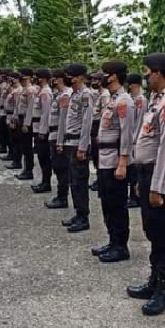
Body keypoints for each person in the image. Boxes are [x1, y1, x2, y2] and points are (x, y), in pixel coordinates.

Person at [126, 53, 165, 316]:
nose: (145, 76)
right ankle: (154, 281)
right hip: (147, 174)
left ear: (159, 73)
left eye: (148, 72)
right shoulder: (156, 101)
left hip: (160, 176)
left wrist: (157, 187)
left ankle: (164, 290)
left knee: (163, 235)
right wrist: (142, 180)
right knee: (152, 231)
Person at [91, 61, 135, 263]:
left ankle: (121, 247)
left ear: (114, 76)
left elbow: (126, 133)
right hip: (105, 160)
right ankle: (112, 241)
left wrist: (123, 162)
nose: (101, 77)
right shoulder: (112, 99)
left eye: (105, 73)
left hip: (116, 161)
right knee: (107, 203)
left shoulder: (124, 101)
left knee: (117, 205)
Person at [58, 63, 94, 232]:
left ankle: (83, 217)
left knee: (79, 182)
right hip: (70, 142)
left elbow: (87, 122)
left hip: (78, 144)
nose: (67, 77)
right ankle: (78, 213)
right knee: (74, 181)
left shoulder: (86, 95)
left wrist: (83, 147)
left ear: (79, 77)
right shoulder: (74, 94)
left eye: (69, 75)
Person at [46, 68, 72, 209]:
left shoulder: (65, 95)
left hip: (58, 136)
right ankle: (60, 195)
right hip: (54, 135)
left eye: (54, 78)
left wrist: (60, 141)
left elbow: (63, 120)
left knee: (61, 168)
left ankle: (62, 197)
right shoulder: (59, 95)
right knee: (57, 166)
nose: (52, 81)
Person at [126, 73, 147, 208]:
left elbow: (139, 121)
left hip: (136, 140)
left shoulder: (140, 100)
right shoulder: (132, 99)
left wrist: (134, 139)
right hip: (131, 138)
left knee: (135, 171)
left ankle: (135, 197)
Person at [31, 68, 53, 193]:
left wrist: (43, 131)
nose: (35, 79)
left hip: (42, 130)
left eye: (37, 77)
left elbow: (46, 113)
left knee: (44, 157)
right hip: (37, 128)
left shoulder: (45, 93)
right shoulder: (40, 91)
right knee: (41, 157)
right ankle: (44, 181)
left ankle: (46, 183)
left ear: (43, 78)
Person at [89, 72, 110, 191]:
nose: (93, 82)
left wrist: (100, 132)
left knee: (98, 155)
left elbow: (104, 114)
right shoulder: (99, 94)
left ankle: (101, 180)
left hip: (99, 125)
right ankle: (99, 179)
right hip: (95, 124)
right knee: (95, 155)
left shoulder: (105, 95)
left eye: (96, 80)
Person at [16, 68, 36, 180]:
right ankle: (25, 169)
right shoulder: (23, 89)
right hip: (21, 118)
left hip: (26, 120)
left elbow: (30, 108)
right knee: (23, 145)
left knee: (27, 147)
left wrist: (26, 123)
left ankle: (29, 171)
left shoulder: (31, 90)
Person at [4, 72, 24, 169]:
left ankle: (17, 161)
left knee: (16, 141)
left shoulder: (18, 90)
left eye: (12, 79)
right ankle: (14, 158)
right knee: (12, 139)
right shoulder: (14, 90)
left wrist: (14, 119)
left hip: (14, 117)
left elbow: (17, 106)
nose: (10, 81)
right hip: (11, 116)